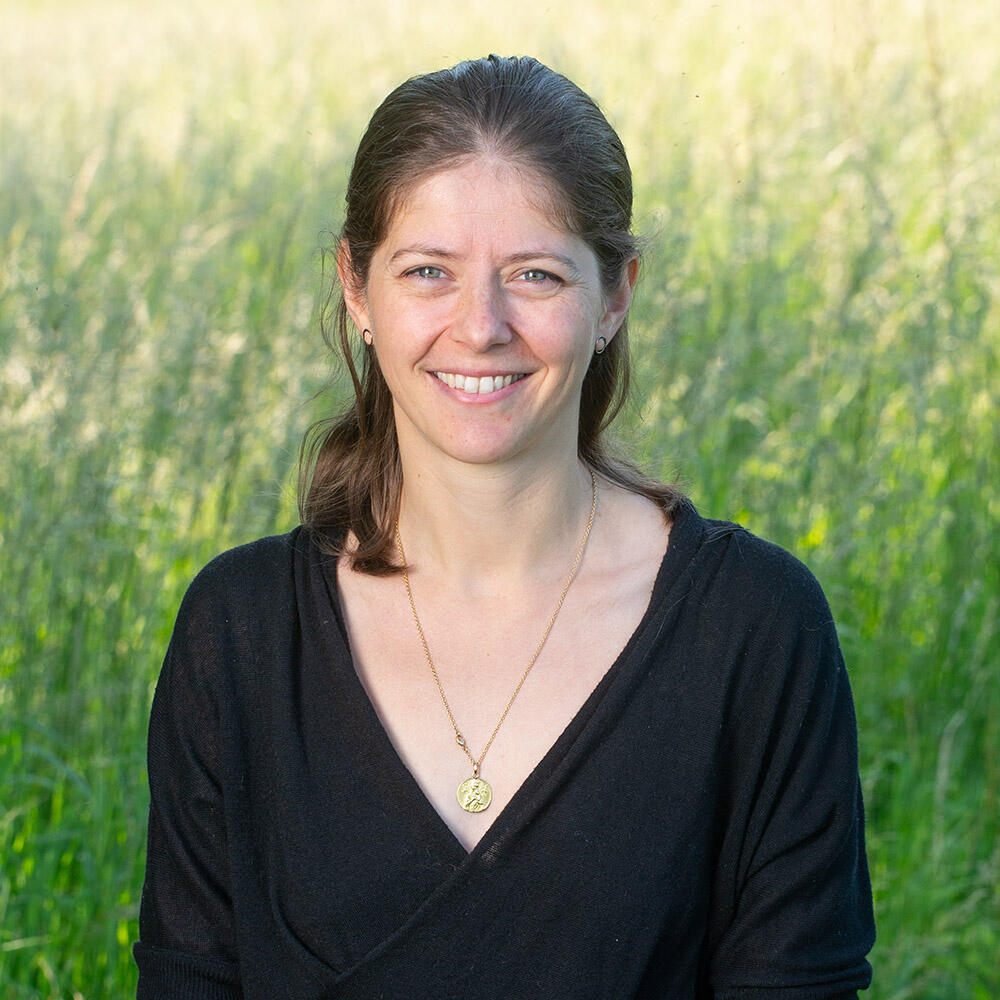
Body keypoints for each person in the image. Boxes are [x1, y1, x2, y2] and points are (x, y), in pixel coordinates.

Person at [134, 55, 875, 998]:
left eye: (533, 274)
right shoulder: (238, 635)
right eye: (428, 271)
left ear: (614, 295)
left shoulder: (755, 628)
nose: (479, 326)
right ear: (357, 290)